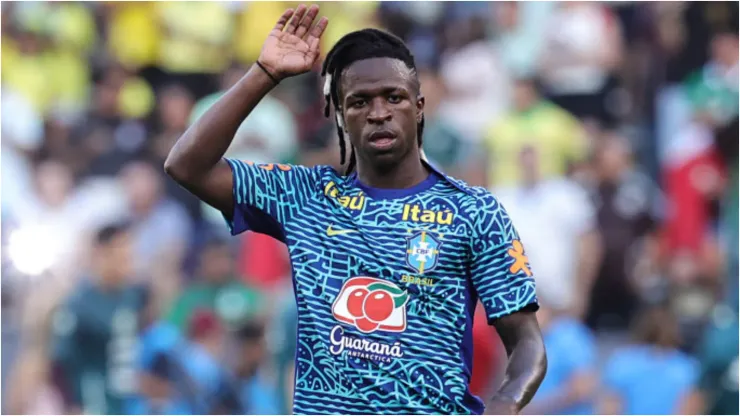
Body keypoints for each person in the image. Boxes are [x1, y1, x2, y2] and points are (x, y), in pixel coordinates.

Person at [164, 5, 546, 414]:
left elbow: (526, 341)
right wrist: (265, 73)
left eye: (393, 97)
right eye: (360, 101)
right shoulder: (304, 197)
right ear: (339, 115)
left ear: (418, 106)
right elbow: (186, 165)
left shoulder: (472, 211)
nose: (379, 113)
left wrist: (504, 404)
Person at [49, 221, 147, 414]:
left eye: (130, 255)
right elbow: (60, 362)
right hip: (94, 403)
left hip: (129, 404)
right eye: (122, 256)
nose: (128, 262)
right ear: (102, 254)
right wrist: (71, 405)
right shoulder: (79, 304)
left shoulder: (134, 297)